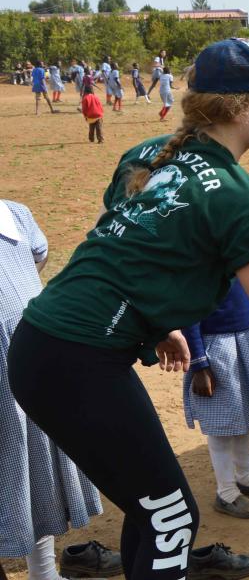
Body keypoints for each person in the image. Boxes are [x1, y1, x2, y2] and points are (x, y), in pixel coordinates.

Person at [6, 38, 249, 579]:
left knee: (153, 508)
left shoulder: (149, 150)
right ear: (243, 105)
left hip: (46, 342)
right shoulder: (238, 198)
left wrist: (160, 325)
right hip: (75, 360)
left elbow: (129, 244)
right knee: (171, 517)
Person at [0, 199, 124, 580]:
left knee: (29, 463)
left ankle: (45, 573)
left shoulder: (14, 214)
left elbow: (36, 259)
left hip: (23, 360)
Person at [181, 279, 249, 520]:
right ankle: (226, 492)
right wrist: (199, 364)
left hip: (246, 341)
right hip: (216, 350)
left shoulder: (239, 258)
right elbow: (188, 312)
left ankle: (245, 477)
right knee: (222, 424)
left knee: (242, 415)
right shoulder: (199, 265)